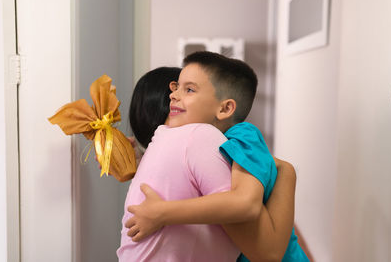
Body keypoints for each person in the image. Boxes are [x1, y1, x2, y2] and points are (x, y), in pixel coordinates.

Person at [123, 52, 308, 261]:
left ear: (225, 108)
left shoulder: (243, 136)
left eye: (189, 89)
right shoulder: (212, 143)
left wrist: (162, 212)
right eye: (176, 88)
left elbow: (245, 203)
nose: (173, 96)